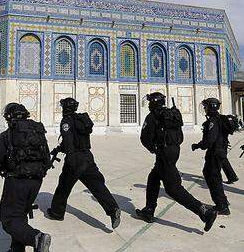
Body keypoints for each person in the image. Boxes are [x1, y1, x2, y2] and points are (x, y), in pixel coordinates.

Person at [135, 92, 218, 231]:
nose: (149, 105)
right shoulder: (171, 114)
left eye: (150, 102)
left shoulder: (153, 116)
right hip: (174, 151)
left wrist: (153, 148)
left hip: (163, 153)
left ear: (153, 103)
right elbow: (180, 136)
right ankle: (148, 210)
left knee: (173, 189)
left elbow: (145, 138)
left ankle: (204, 212)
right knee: (153, 178)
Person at [0, 103, 52, 252]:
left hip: (17, 181)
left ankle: (37, 238)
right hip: (37, 181)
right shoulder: (38, 132)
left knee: (9, 218)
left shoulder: (8, 134)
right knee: (20, 214)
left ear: (9, 117)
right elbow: (47, 156)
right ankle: (16, 249)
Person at [47, 98, 121, 229]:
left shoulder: (67, 121)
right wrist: (59, 148)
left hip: (75, 159)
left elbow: (69, 140)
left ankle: (57, 212)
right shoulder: (81, 120)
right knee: (97, 186)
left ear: (65, 108)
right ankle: (113, 209)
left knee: (63, 186)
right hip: (87, 156)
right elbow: (77, 138)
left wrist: (69, 157)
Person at [191, 98, 231, 215]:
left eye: (206, 106)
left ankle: (222, 205)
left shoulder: (213, 121)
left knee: (213, 177)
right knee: (213, 176)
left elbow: (210, 140)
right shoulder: (219, 119)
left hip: (215, 153)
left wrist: (198, 145)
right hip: (219, 151)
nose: (205, 109)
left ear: (211, 107)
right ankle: (222, 201)